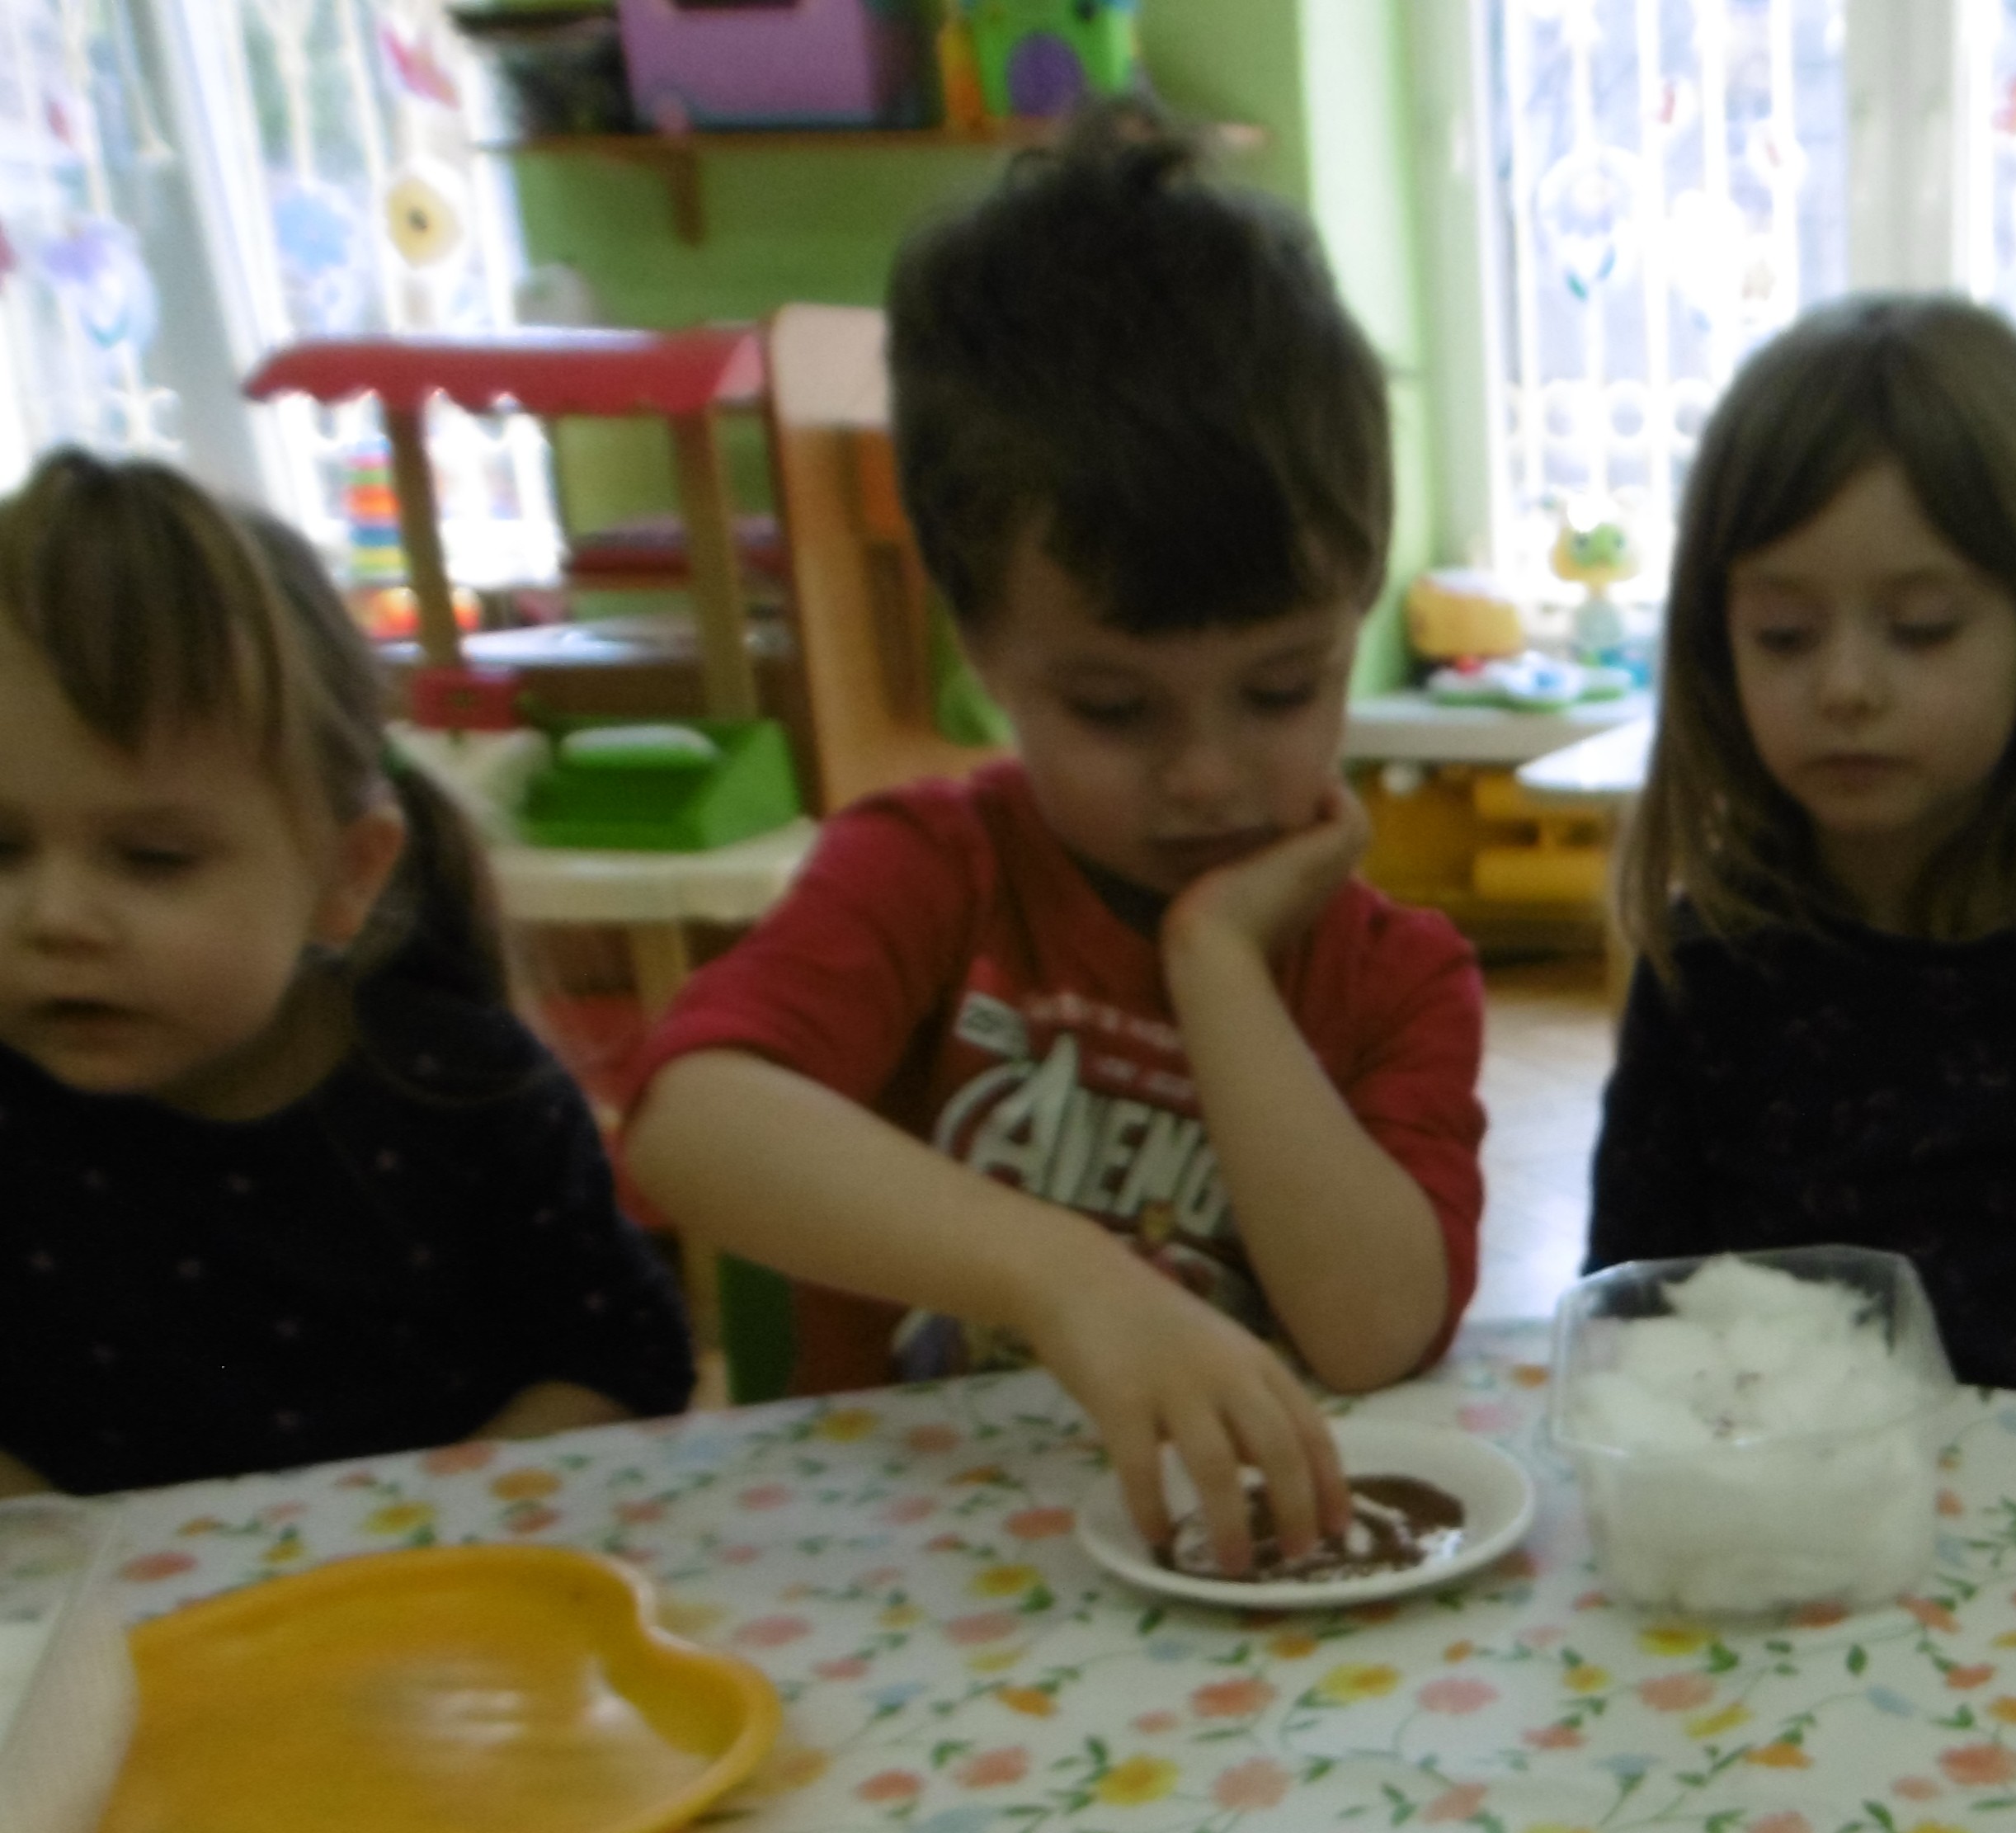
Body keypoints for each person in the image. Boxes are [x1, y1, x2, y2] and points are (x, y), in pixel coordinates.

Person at [620, 105, 1485, 1576]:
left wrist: (1217, 963)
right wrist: (1066, 1276)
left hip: (1264, 1602)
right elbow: (687, 1121)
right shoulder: (931, 872)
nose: (1207, 774)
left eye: (1282, 688)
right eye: (1112, 707)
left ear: (1353, 617)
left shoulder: (1396, 977)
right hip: (927, 1583)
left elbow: (1371, 1329)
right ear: (979, 648)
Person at [1585, 294, 2016, 1445]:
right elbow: (1631, 1301)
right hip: (1768, 1514)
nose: (1847, 686)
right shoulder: (1706, 968)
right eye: (1784, 634)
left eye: (1925, 624)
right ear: (1717, 647)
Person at [0, 451, 691, 1495]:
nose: (54, 919)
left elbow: (622, 1357)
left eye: (153, 859)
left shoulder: (469, 1093)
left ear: (346, 874)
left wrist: (421, 1521)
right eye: (0, 850)